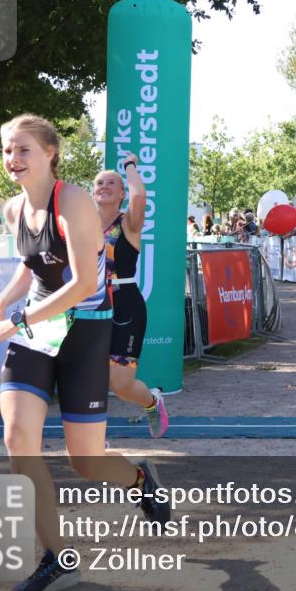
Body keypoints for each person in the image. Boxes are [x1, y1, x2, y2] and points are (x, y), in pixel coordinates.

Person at [0, 115, 170, 591]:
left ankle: (141, 477)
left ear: (49, 154)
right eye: (6, 151)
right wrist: (1, 303)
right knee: (19, 440)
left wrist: (16, 321)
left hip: (85, 333)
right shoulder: (16, 209)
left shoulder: (75, 201)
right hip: (36, 333)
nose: (12, 160)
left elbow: (83, 284)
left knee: (86, 462)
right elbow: (30, 265)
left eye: (22, 150)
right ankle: (59, 560)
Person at [92, 158, 169, 438]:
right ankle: (93, 439)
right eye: (99, 183)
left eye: (111, 183)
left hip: (125, 305)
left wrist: (130, 166)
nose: (104, 186)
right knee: (88, 378)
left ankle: (152, 402)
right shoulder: (84, 226)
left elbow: (140, 195)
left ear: (122, 193)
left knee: (121, 385)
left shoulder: (128, 223)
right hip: (91, 305)